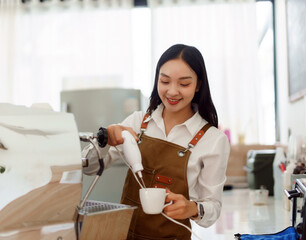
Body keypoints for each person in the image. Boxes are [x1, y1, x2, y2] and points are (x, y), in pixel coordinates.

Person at [83, 44, 230, 240]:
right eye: (165, 81)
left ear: (198, 85)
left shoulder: (213, 140)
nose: (172, 91)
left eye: (184, 84)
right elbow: (88, 167)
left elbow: (213, 207)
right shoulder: (137, 122)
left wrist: (192, 208)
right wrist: (104, 139)